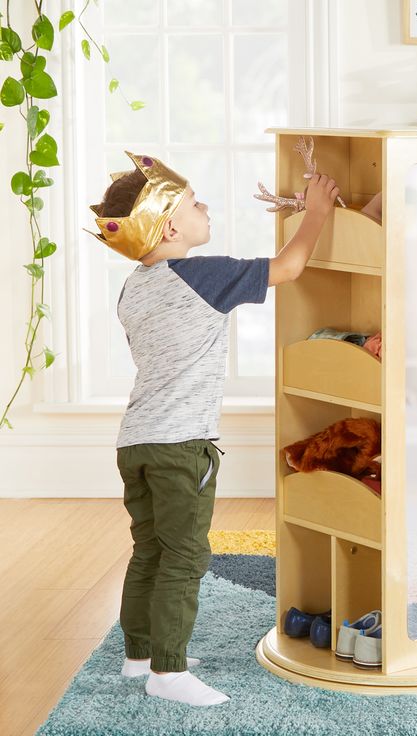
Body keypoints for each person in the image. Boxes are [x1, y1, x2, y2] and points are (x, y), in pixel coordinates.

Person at [87, 151, 340, 706]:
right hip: (183, 445)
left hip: (137, 439)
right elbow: (289, 268)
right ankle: (169, 673)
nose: (206, 209)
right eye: (196, 203)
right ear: (171, 224)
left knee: (149, 549)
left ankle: (140, 656)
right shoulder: (202, 275)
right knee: (184, 555)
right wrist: (317, 212)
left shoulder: (134, 286)